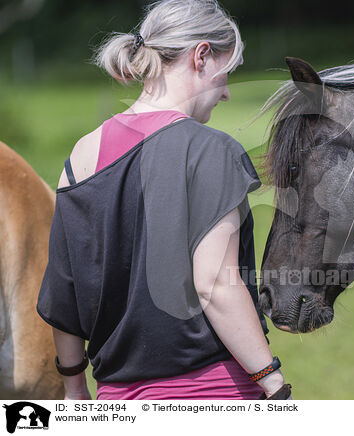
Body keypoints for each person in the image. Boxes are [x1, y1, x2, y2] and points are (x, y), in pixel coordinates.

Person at [36, 0, 291, 400]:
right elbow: (215, 286)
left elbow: (63, 288)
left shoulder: (82, 154)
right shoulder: (211, 151)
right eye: (228, 72)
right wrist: (273, 383)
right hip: (213, 393)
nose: (226, 92)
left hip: (113, 399)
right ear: (202, 56)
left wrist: (73, 388)